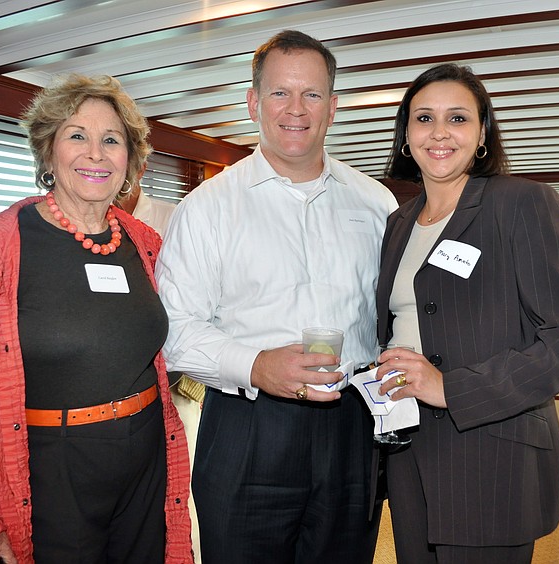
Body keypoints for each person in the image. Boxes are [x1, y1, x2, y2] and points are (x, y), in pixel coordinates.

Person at [0, 74, 192, 564]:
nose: (96, 153)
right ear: (48, 153)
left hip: (146, 461)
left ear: (129, 160)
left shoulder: (145, 243)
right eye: (76, 136)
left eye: (111, 140)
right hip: (52, 469)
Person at [156, 30, 398, 564]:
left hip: (353, 425)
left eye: (312, 94)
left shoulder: (376, 203)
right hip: (248, 427)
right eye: (279, 93)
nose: (296, 109)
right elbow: (174, 330)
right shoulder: (207, 207)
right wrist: (258, 365)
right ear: (253, 102)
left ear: (332, 107)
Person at [374, 63, 559, 563]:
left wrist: (451, 387)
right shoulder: (398, 222)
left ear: (481, 134)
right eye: (423, 118)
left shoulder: (521, 204)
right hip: (409, 445)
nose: (439, 133)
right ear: (406, 136)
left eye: (457, 118)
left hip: (492, 451)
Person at [118, 168, 204, 563]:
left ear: (138, 167)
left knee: (180, 501)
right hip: (113, 401)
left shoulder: (178, 219)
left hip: (177, 388)